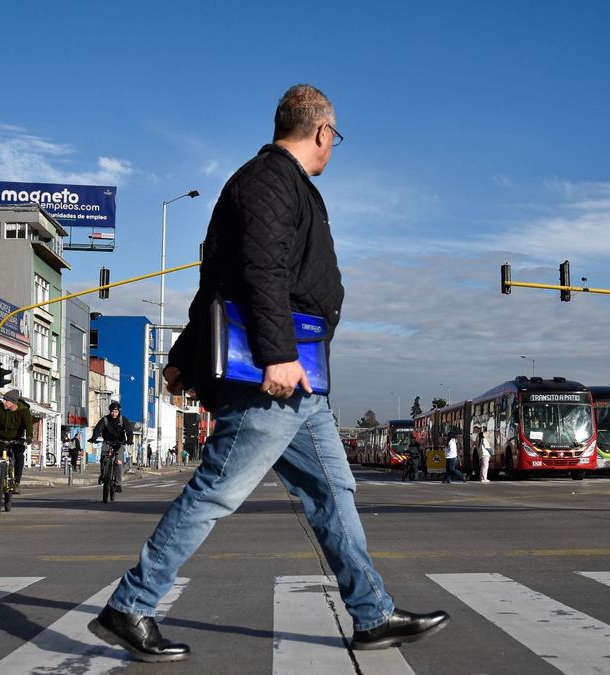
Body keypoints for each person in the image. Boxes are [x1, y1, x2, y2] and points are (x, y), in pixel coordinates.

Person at [88, 84, 448, 662]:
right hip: (270, 380)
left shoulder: (269, 183)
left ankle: (372, 615)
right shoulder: (270, 181)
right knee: (216, 492)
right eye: (336, 137)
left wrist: (181, 354)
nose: (334, 147)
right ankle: (131, 604)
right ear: (323, 132)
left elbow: (216, 283)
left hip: (299, 387)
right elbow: (259, 270)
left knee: (334, 493)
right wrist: (277, 353)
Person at [0, 389, 33, 493]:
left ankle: (17, 482)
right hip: (1, 438)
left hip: (17, 439)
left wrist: (29, 437)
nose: (3, 402)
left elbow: (28, 426)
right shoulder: (0, 409)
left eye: (6, 400)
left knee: (19, 456)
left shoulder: (24, 411)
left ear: (13, 403)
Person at [92, 401, 132, 493]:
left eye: (116, 411)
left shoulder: (123, 420)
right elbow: (98, 429)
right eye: (112, 411)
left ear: (119, 412)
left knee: (118, 461)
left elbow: (129, 430)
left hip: (119, 443)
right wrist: (93, 438)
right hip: (107, 442)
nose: (114, 413)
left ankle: (118, 483)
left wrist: (129, 439)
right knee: (103, 457)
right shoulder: (105, 419)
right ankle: (103, 475)